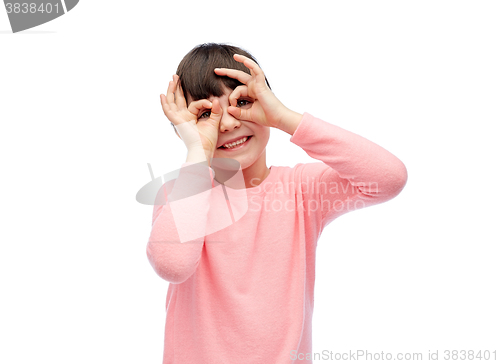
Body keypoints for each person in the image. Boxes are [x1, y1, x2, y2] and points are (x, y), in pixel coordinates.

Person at [147, 43, 408, 363]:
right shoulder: (180, 193)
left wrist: (285, 118)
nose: (227, 124)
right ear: (183, 130)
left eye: (242, 102)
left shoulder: (302, 189)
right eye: (205, 114)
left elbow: (388, 178)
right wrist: (198, 151)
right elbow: (172, 264)